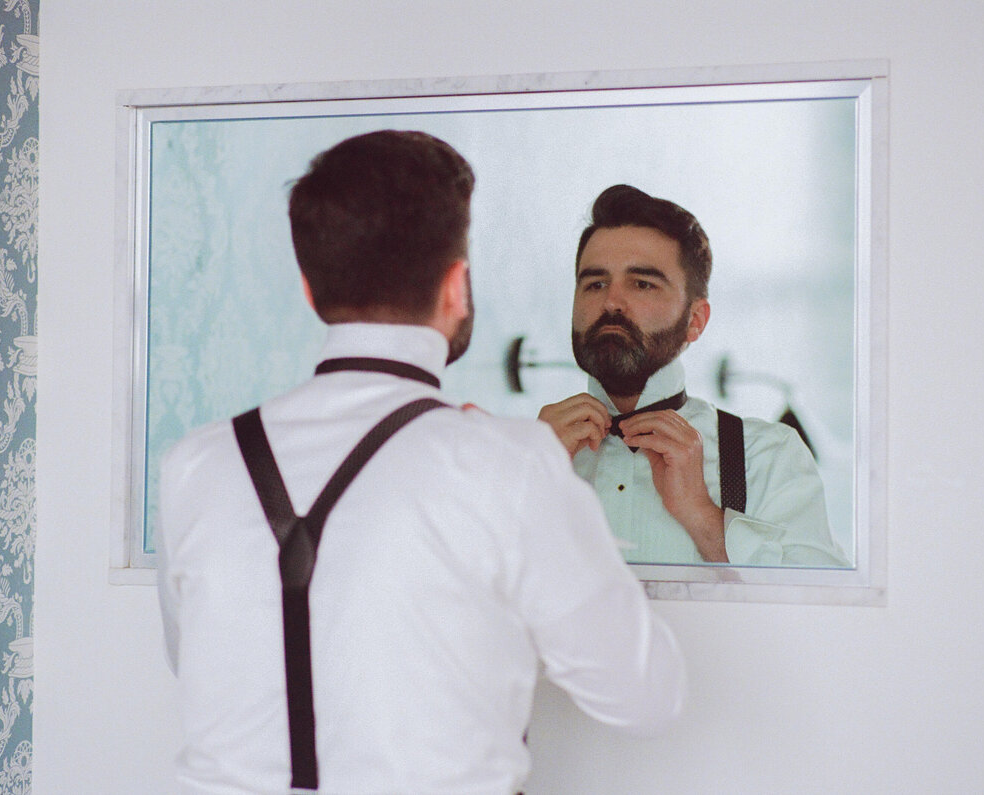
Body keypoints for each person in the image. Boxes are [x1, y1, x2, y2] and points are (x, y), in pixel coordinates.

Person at [157, 133, 686, 794]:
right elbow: (647, 697)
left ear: (308, 288)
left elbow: (201, 659)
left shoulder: (194, 465)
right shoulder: (510, 466)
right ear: (457, 285)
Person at [538, 184, 847, 568]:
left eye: (642, 283)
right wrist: (526, 485)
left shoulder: (768, 456)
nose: (611, 302)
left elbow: (822, 616)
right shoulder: (519, 456)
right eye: (595, 283)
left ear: (695, 321)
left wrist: (703, 516)